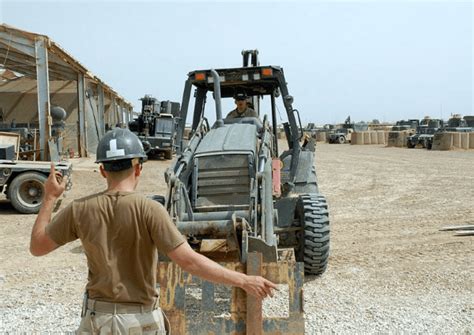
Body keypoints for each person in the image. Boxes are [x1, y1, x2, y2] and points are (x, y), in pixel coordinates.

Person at [29, 128, 277, 334]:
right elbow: (189, 262)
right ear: (138, 168)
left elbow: (37, 247)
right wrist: (243, 280)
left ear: (103, 170)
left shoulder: (79, 209)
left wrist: (50, 198)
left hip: (97, 321)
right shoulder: (150, 210)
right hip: (140, 321)